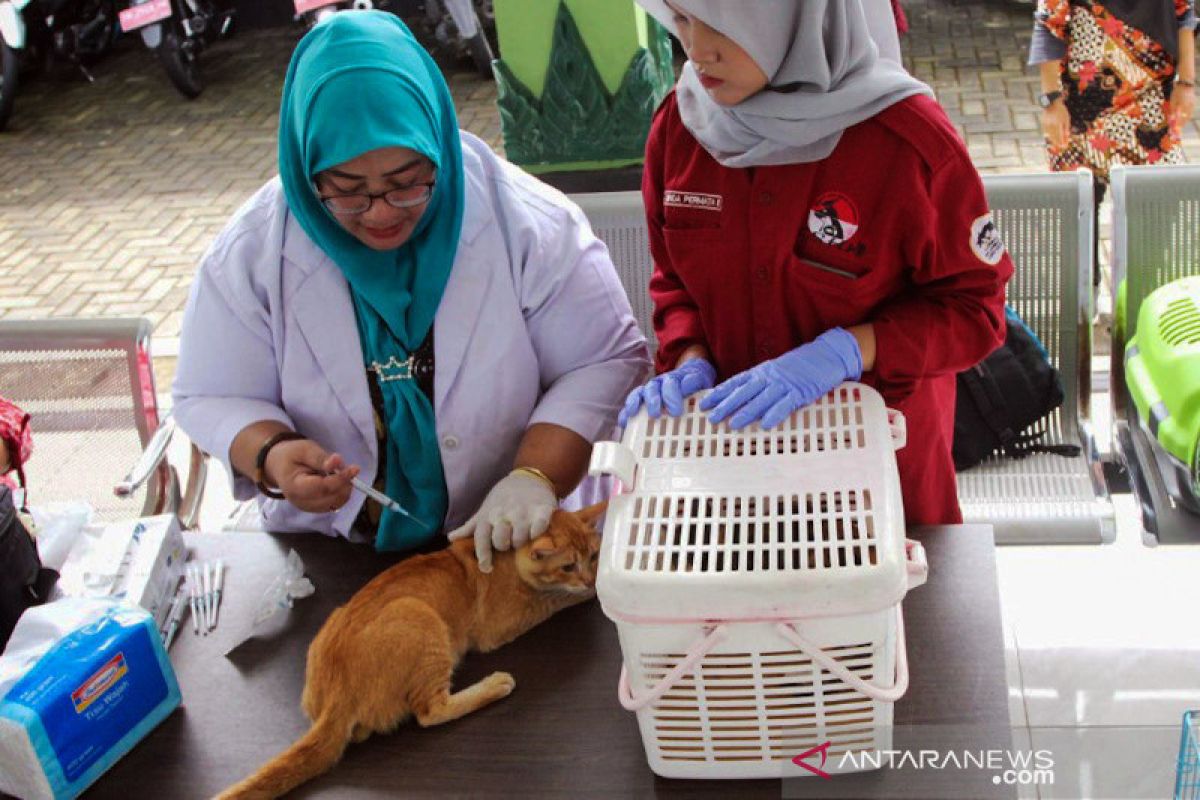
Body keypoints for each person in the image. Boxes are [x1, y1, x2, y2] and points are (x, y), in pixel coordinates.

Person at [173, 12, 649, 570]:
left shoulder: (526, 223)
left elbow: (604, 359)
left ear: (437, 146)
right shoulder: (253, 254)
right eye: (347, 192)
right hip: (332, 551)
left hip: (521, 546)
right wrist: (272, 454)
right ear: (307, 174)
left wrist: (535, 475)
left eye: (406, 184)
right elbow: (209, 393)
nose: (380, 214)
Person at [621, 0, 1013, 525]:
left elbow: (975, 312)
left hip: (878, 474)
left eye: (724, 25)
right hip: (734, 468)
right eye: (685, 19)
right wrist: (689, 354)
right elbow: (674, 281)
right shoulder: (681, 127)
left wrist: (848, 351)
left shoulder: (908, 141)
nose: (697, 50)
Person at [1030, 0, 1197, 283]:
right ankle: (1086, 301)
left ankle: (1140, 292)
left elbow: (1184, 13)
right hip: (1079, 109)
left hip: (1150, 103)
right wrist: (1051, 101)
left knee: (1157, 208)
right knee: (1078, 213)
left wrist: (1187, 82)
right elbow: (1049, 23)